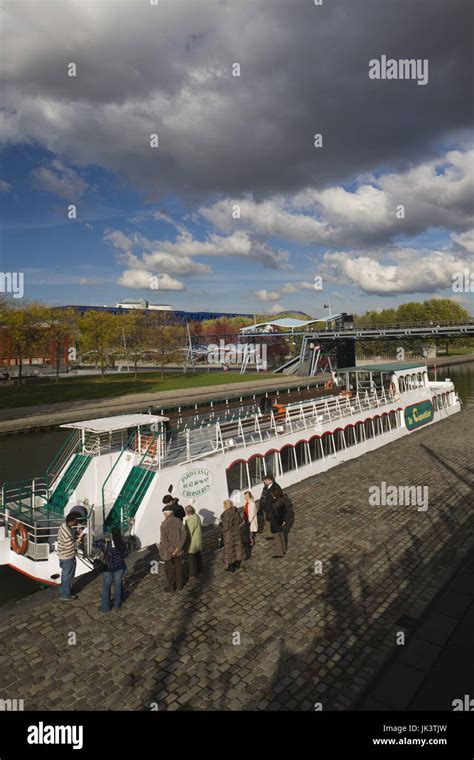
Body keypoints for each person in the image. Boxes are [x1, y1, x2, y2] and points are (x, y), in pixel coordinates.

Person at [93, 528, 128, 614]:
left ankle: (105, 608)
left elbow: (93, 544)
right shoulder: (122, 544)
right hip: (119, 567)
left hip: (107, 568)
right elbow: (125, 554)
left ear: (111, 535)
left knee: (106, 587)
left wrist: (105, 539)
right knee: (118, 585)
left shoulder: (106, 543)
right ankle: (117, 605)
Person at [57, 513, 84, 601]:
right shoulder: (67, 531)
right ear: (71, 522)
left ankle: (64, 591)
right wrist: (80, 538)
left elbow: (68, 538)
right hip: (67, 557)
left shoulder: (63, 526)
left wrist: (76, 533)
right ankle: (65, 595)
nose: (76, 524)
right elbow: (71, 546)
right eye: (75, 522)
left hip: (63, 556)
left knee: (65, 575)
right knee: (68, 576)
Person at [159, 505, 187, 592]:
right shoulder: (178, 521)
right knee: (179, 568)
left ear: (167, 513)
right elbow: (184, 534)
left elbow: (164, 541)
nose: (164, 515)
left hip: (168, 552)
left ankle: (171, 587)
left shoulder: (163, 525)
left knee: (170, 571)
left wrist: (172, 550)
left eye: (164, 513)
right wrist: (178, 548)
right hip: (178, 550)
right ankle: (180, 585)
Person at [220, 499, 243, 572]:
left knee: (230, 550)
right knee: (237, 548)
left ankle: (231, 567)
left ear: (226, 506)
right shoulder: (235, 511)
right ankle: (237, 563)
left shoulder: (226, 514)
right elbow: (240, 521)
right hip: (236, 533)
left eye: (224, 505)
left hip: (229, 535)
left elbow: (226, 527)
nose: (223, 507)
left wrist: (220, 528)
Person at [259, 474, 283, 538]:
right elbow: (263, 498)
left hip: (272, 511)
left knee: (276, 528)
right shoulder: (266, 487)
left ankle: (273, 535)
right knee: (267, 521)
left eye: (266, 480)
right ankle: (269, 534)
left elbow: (279, 502)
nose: (264, 481)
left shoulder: (276, 488)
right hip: (266, 509)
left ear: (270, 481)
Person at [184, 506, 203, 579]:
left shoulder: (191, 520)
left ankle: (193, 574)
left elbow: (189, 533)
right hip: (197, 540)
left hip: (192, 542)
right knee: (198, 556)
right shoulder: (196, 516)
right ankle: (200, 569)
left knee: (192, 558)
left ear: (187, 512)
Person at [269, 490, 288, 558]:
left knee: (277, 538)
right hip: (281, 521)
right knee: (281, 536)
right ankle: (284, 549)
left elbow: (275, 514)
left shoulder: (274, 504)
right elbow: (285, 512)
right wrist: (283, 520)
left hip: (275, 522)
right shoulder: (282, 501)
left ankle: (279, 553)